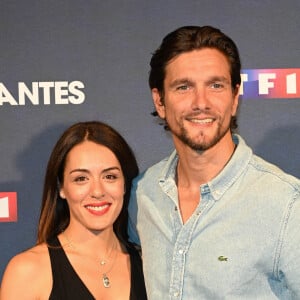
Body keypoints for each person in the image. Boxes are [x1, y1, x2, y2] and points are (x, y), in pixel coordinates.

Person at [128, 26, 300, 299]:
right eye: (183, 87)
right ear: (160, 101)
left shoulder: (287, 206)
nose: (201, 102)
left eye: (215, 85)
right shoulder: (143, 194)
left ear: (234, 98)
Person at [0, 121, 147, 300]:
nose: (98, 191)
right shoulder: (28, 271)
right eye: (81, 179)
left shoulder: (148, 265)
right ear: (61, 187)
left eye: (110, 176)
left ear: (125, 184)